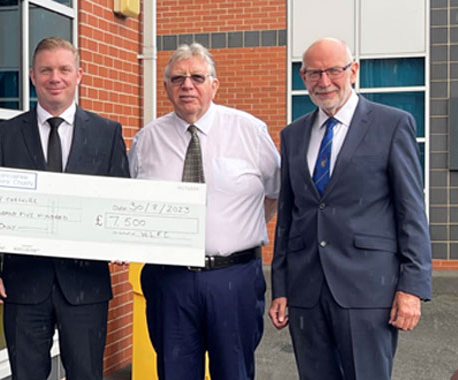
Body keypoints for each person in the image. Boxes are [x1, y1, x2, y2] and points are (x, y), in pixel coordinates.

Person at [270, 37, 432, 379]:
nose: (324, 81)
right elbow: (288, 217)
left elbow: (411, 213)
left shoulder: (391, 125)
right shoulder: (293, 135)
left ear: (353, 70)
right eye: (314, 73)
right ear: (303, 78)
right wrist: (281, 287)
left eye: (333, 71)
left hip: (368, 291)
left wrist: (412, 287)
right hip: (306, 291)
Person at [0, 37, 128, 380]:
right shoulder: (5, 135)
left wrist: (123, 241)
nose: (55, 77)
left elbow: (120, 199)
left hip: (85, 284)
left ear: (79, 75)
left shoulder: (107, 133)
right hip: (22, 283)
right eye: (46, 70)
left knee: (86, 375)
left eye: (64, 69)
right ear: (32, 76)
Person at [129, 43, 278, 379]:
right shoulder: (146, 141)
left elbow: (275, 193)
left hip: (234, 278)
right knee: (174, 371)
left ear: (214, 84)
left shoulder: (249, 131)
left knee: (234, 372)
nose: (187, 85)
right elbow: (131, 202)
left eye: (197, 77)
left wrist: (235, 230)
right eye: (178, 78)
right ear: (166, 87)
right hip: (169, 280)